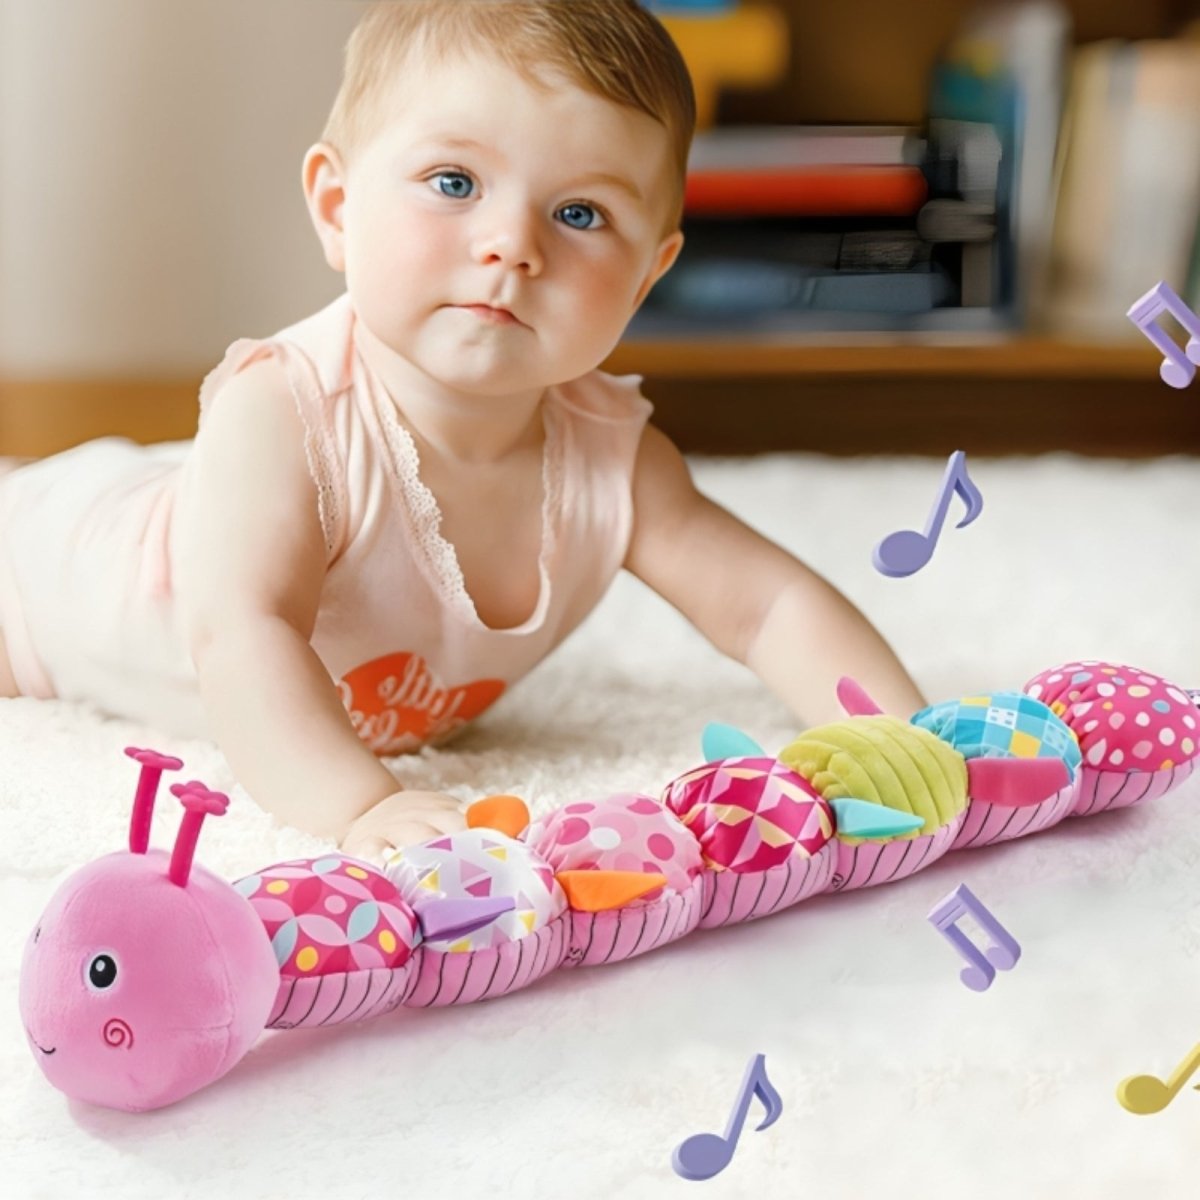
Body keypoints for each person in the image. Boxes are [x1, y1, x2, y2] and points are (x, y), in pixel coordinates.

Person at [0, 0, 925, 863]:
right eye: (454, 182)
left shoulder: (615, 459)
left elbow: (766, 606)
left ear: (648, 275)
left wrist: (903, 740)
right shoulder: (282, 414)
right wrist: (362, 807)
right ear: (337, 207)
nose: (512, 244)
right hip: (38, 574)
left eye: (580, 214)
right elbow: (242, 632)